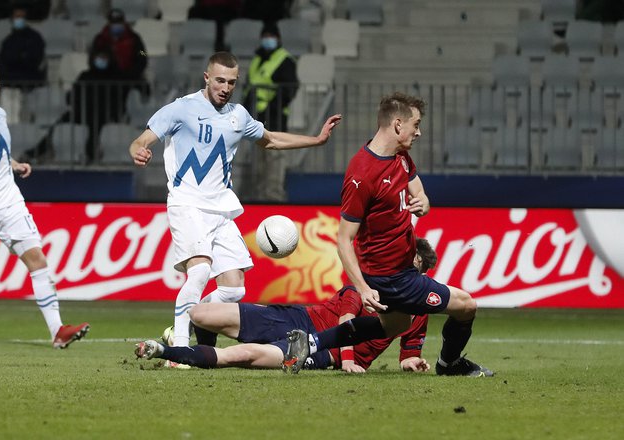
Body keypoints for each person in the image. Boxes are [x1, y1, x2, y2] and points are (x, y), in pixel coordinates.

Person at [129, 52, 341, 353]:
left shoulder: (238, 115)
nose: (225, 87)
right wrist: (138, 151)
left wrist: (315, 140)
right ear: (206, 77)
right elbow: (141, 140)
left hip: (221, 209)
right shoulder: (181, 109)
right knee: (200, 271)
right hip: (187, 203)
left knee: (233, 287)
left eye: (231, 82)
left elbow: (270, 140)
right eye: (219, 80)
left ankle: (184, 325)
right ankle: (179, 350)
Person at [283, 92, 493, 377]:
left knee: (396, 326)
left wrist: (424, 202)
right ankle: (450, 364)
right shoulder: (362, 175)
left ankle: (310, 343)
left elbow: (417, 187)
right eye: (415, 125)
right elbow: (343, 240)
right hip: (392, 277)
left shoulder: (401, 158)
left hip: (395, 272)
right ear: (397, 124)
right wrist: (362, 287)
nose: (418, 132)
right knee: (466, 306)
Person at [134, 238, 438, 373]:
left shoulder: (418, 312)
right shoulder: (367, 284)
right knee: (199, 313)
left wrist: (411, 362)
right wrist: (350, 360)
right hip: (298, 317)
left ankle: (178, 354)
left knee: (242, 355)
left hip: (320, 351)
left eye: (417, 266)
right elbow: (347, 318)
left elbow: (409, 354)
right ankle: (184, 340)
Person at [0, 62, 89, 349]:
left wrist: (14, 164)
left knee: (37, 260)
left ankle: (58, 331)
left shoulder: (1, 114)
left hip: (10, 201)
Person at [244, 22, 298, 201]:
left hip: (275, 119)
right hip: (255, 120)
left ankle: (274, 198)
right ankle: (260, 198)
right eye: (265, 36)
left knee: (274, 160)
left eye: (271, 36)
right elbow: (249, 87)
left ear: (278, 38)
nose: (268, 40)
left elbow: (289, 89)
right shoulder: (257, 59)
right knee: (259, 162)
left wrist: (270, 108)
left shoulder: (285, 60)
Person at [67, 48, 127, 163]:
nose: (101, 61)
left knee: (94, 129)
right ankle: (35, 152)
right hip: (83, 111)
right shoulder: (85, 75)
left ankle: (90, 156)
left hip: (104, 114)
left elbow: (118, 99)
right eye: (99, 58)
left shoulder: (114, 77)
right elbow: (74, 94)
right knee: (61, 123)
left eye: (104, 58)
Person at [91, 8, 148, 87]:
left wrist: (134, 71)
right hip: (107, 77)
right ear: (109, 23)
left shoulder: (134, 38)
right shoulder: (101, 39)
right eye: (113, 22)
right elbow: (93, 57)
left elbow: (143, 53)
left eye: (119, 22)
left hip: (130, 77)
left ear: (123, 22)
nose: (116, 25)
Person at [0, 5, 47, 89]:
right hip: (9, 79)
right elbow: (1, 60)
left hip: (29, 78)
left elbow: (35, 59)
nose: (19, 19)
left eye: (22, 17)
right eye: (17, 17)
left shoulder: (35, 37)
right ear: (12, 19)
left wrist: (17, 59)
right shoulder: (8, 40)